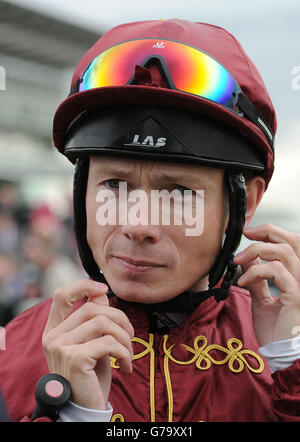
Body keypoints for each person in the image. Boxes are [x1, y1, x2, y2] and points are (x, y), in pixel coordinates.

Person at [0, 18, 300, 422]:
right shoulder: (8, 357)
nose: (138, 225)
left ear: (247, 202)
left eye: (178, 192)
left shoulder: (289, 353)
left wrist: (291, 369)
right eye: (114, 185)